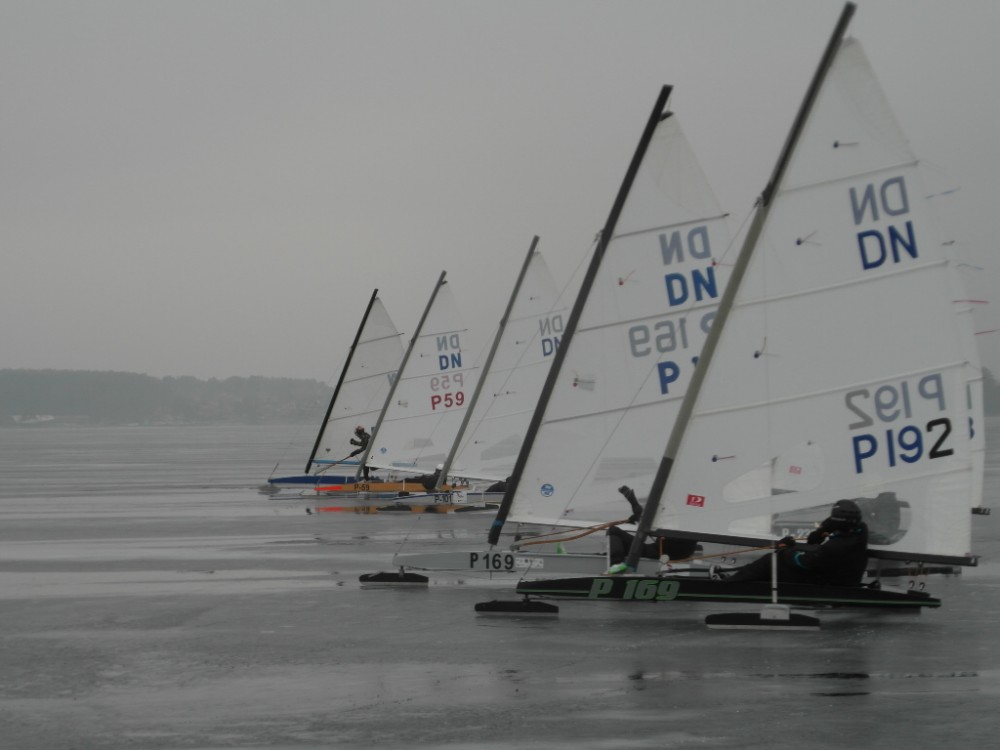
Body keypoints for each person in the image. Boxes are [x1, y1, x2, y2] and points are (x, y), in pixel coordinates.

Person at [720, 499, 869, 586]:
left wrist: (785, 550)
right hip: (839, 576)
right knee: (776, 562)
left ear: (839, 523)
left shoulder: (837, 546)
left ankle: (730, 584)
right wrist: (822, 531)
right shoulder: (861, 530)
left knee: (772, 561)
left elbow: (803, 562)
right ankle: (739, 578)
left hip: (828, 583)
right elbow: (824, 532)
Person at [607, 486, 699, 566]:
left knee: (613, 530)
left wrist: (635, 508)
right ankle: (616, 561)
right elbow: (650, 521)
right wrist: (637, 514)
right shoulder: (690, 517)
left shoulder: (676, 518)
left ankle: (616, 565)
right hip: (674, 553)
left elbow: (649, 522)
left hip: (662, 553)